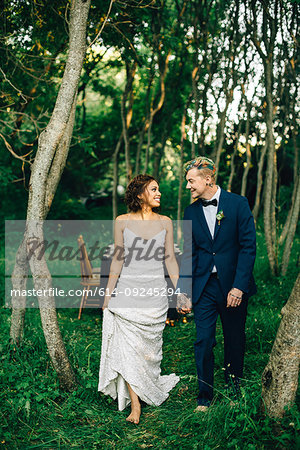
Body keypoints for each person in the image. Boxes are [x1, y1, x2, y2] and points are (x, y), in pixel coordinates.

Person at [98, 174, 180, 424]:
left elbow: (170, 260)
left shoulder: (165, 222)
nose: (159, 194)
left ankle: (148, 384)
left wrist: (180, 291)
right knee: (130, 350)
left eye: (159, 190)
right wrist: (108, 294)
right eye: (154, 189)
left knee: (148, 351)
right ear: (139, 194)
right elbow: (117, 260)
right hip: (128, 292)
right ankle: (136, 406)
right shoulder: (121, 221)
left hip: (155, 295)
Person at [176, 156, 256, 411]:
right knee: (203, 340)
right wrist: (184, 291)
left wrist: (239, 286)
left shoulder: (238, 204)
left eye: (191, 181)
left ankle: (234, 390)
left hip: (233, 285)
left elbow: (248, 247)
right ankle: (204, 397)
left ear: (207, 179)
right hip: (204, 287)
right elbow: (188, 253)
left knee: (234, 338)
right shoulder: (190, 211)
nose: (188, 186)